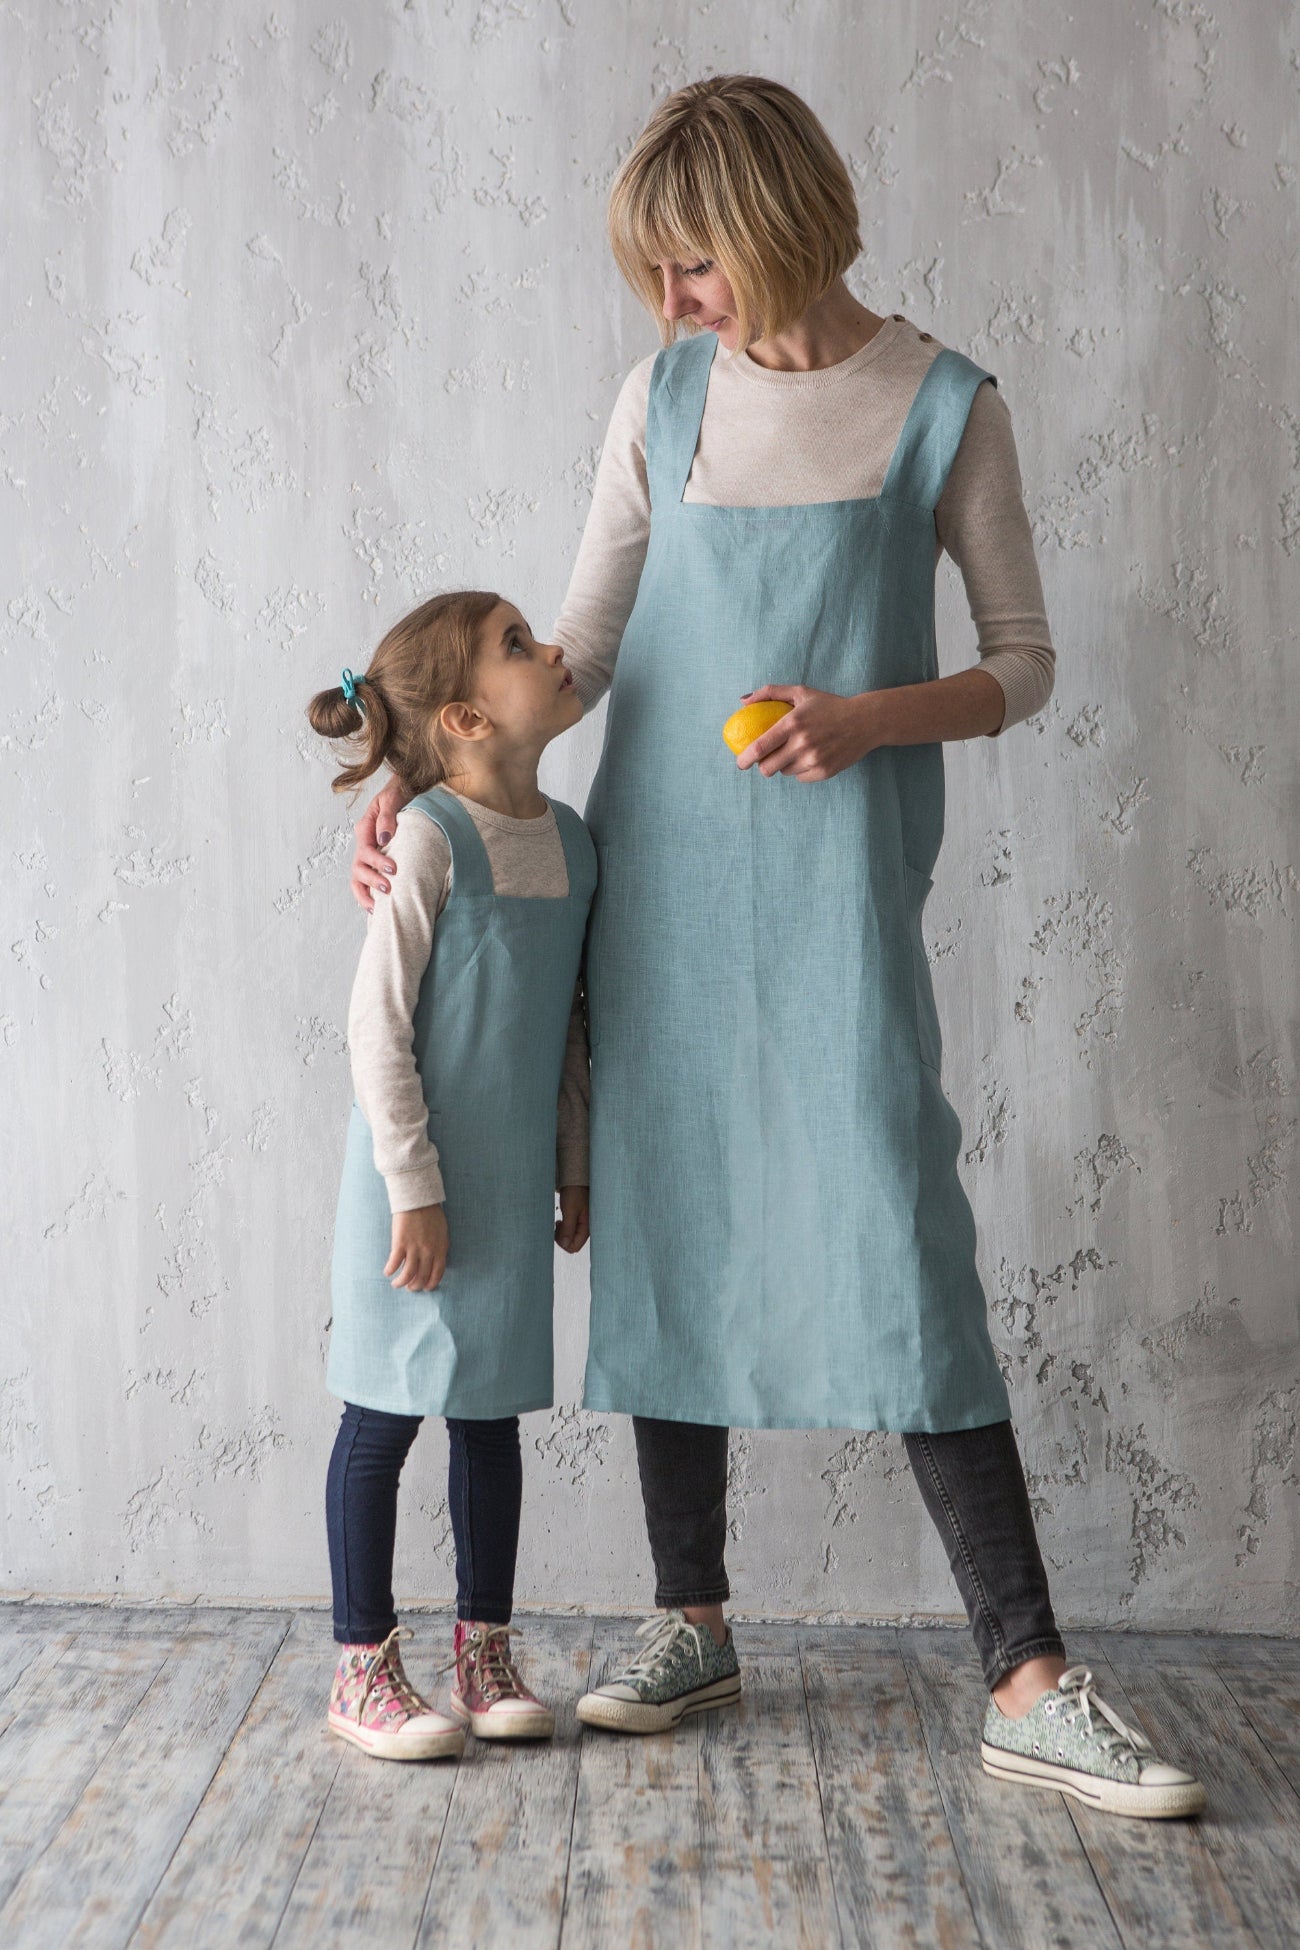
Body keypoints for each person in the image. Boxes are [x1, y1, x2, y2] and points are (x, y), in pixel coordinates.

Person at [351, 77, 1205, 1818]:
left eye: (695, 267)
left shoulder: (944, 407)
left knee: (903, 1239)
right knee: (670, 1227)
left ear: (778, 228)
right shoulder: (661, 398)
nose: (673, 305)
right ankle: (693, 1619)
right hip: (650, 887)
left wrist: (873, 718)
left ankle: (1027, 1678)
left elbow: (1025, 663)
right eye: (655, 276)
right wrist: (409, 774)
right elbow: (575, 654)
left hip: (837, 905)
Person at [309, 589, 594, 1759]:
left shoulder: (576, 841)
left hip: (513, 1184)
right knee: (382, 1416)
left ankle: (484, 1651)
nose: (557, 649)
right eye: (521, 645)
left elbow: (574, 1026)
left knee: (489, 1418)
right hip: (408, 1194)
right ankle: (362, 1666)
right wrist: (413, 1184)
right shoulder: (425, 838)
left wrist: (575, 1170)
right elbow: (374, 1027)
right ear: (470, 716)